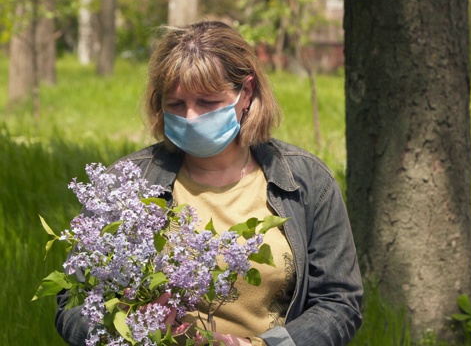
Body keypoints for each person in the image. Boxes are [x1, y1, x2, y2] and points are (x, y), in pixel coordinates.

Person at [55, 20, 363, 346]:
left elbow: (339, 302)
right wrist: (134, 331)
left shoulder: (307, 181)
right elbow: (73, 304)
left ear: (246, 92)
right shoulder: (125, 185)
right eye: (175, 104)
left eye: (207, 102)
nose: (190, 117)